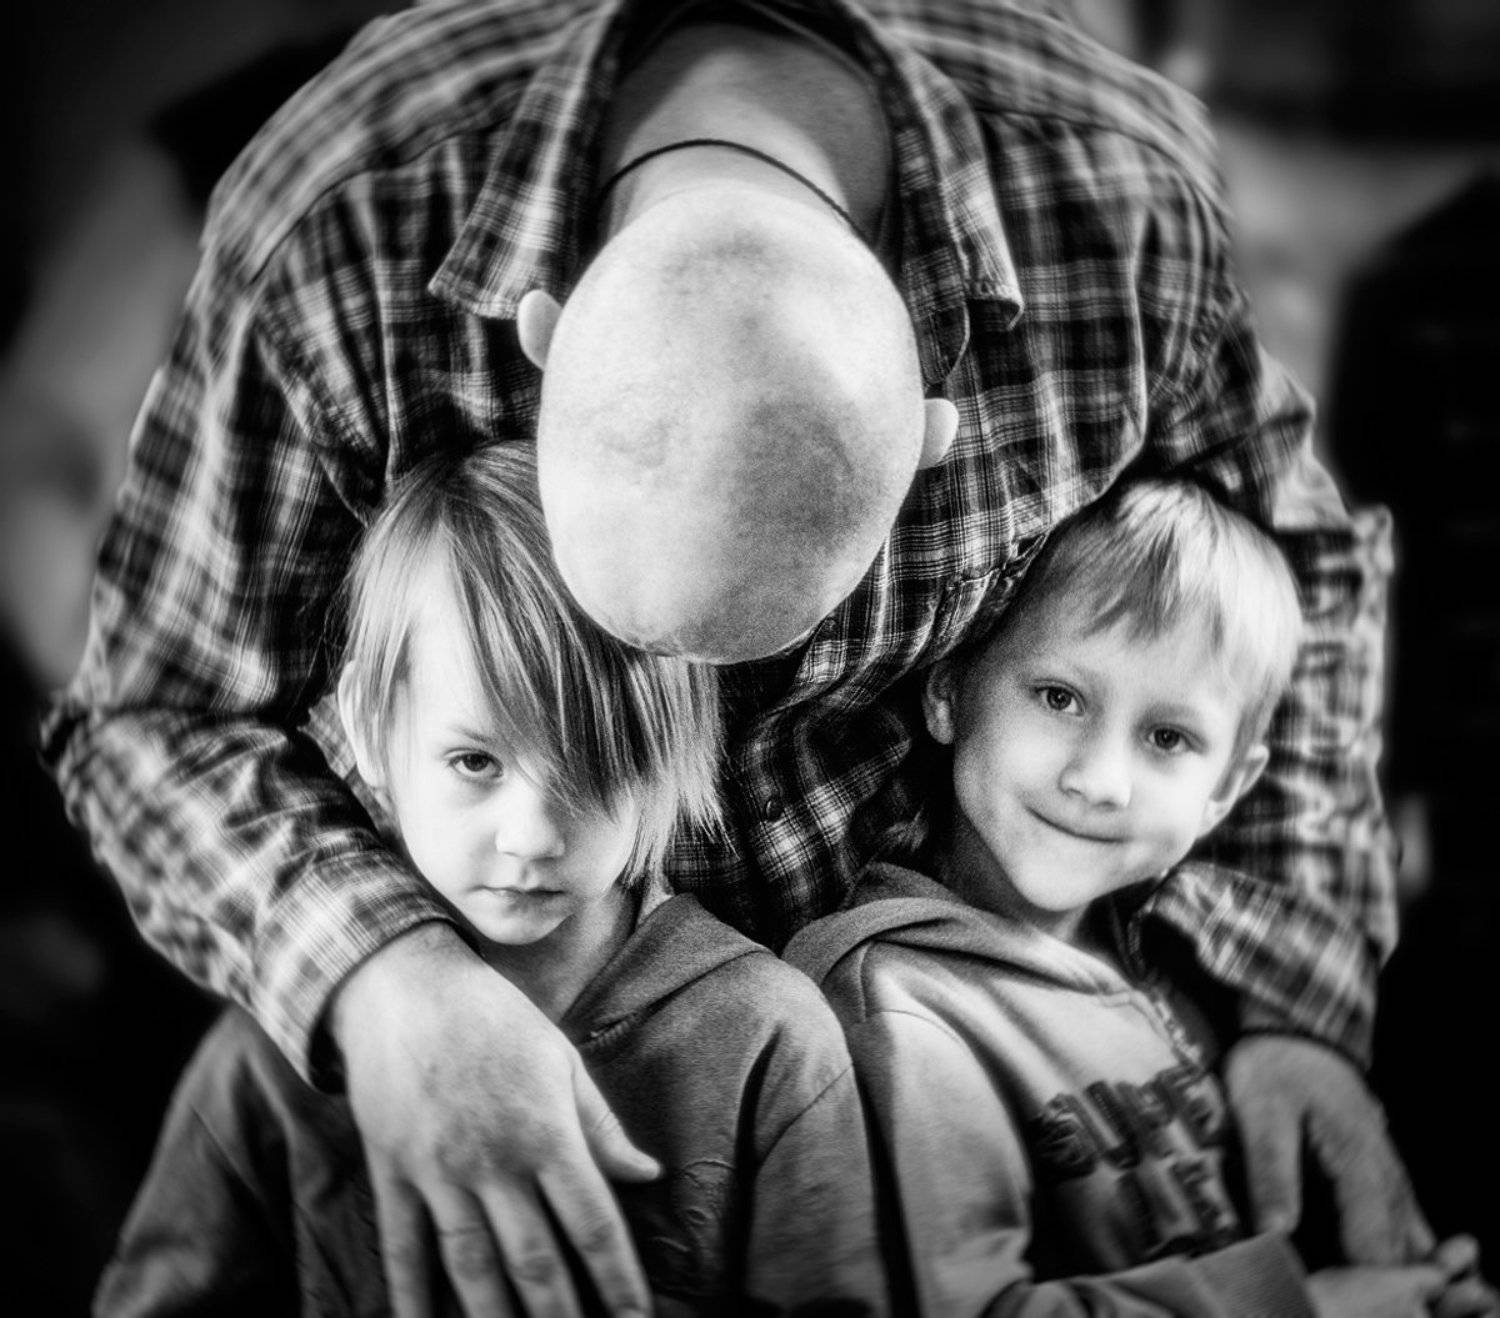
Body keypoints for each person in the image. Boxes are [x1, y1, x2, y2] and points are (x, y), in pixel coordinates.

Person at [43, 1, 1420, 1312]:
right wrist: (381, 974)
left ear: (932, 432)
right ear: (545, 339)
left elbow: (1294, 569)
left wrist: (1285, 1002)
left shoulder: (1123, 217)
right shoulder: (338, 228)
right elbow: (156, 712)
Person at [91, 441, 886, 1316]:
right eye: (475, 761)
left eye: (594, 767)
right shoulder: (279, 1053)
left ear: (674, 753)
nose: (532, 836)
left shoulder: (769, 1038)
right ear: (368, 723)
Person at [786, 477, 1496, 1317]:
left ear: (1227, 789)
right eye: (1059, 698)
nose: (1099, 779)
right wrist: (1302, 1309)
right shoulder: (902, 1010)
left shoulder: (1186, 974)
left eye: (1168, 737)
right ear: (949, 691)